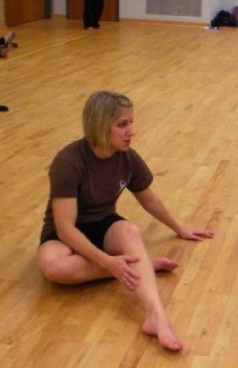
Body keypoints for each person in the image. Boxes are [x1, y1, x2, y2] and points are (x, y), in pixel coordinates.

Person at [36, 91, 214, 351]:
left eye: (131, 122)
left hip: (103, 223)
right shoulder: (68, 161)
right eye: (122, 125)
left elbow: (149, 200)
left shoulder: (128, 157)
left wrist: (179, 228)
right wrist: (108, 262)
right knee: (52, 267)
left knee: (131, 231)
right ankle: (141, 266)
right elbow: (65, 228)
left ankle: (157, 318)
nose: (131, 131)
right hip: (65, 233)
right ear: (100, 125)